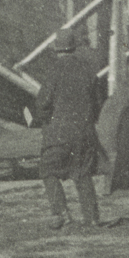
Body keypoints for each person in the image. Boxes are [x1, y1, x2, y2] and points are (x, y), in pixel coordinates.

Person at [33, 28, 108, 230]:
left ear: (57, 49)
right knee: (82, 173)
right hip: (85, 131)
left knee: (48, 170)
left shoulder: (54, 70)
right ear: (74, 47)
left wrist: (42, 118)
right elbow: (98, 103)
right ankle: (92, 219)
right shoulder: (88, 70)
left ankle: (62, 214)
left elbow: (42, 103)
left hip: (60, 133)